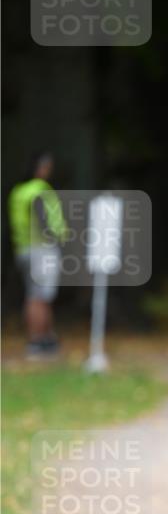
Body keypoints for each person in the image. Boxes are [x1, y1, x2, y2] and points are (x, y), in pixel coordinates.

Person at [7, 151, 68, 359]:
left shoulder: (18, 191)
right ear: (41, 168)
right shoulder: (39, 189)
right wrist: (57, 238)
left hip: (24, 249)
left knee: (36, 295)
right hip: (41, 249)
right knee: (39, 297)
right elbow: (44, 218)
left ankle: (46, 338)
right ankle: (37, 341)